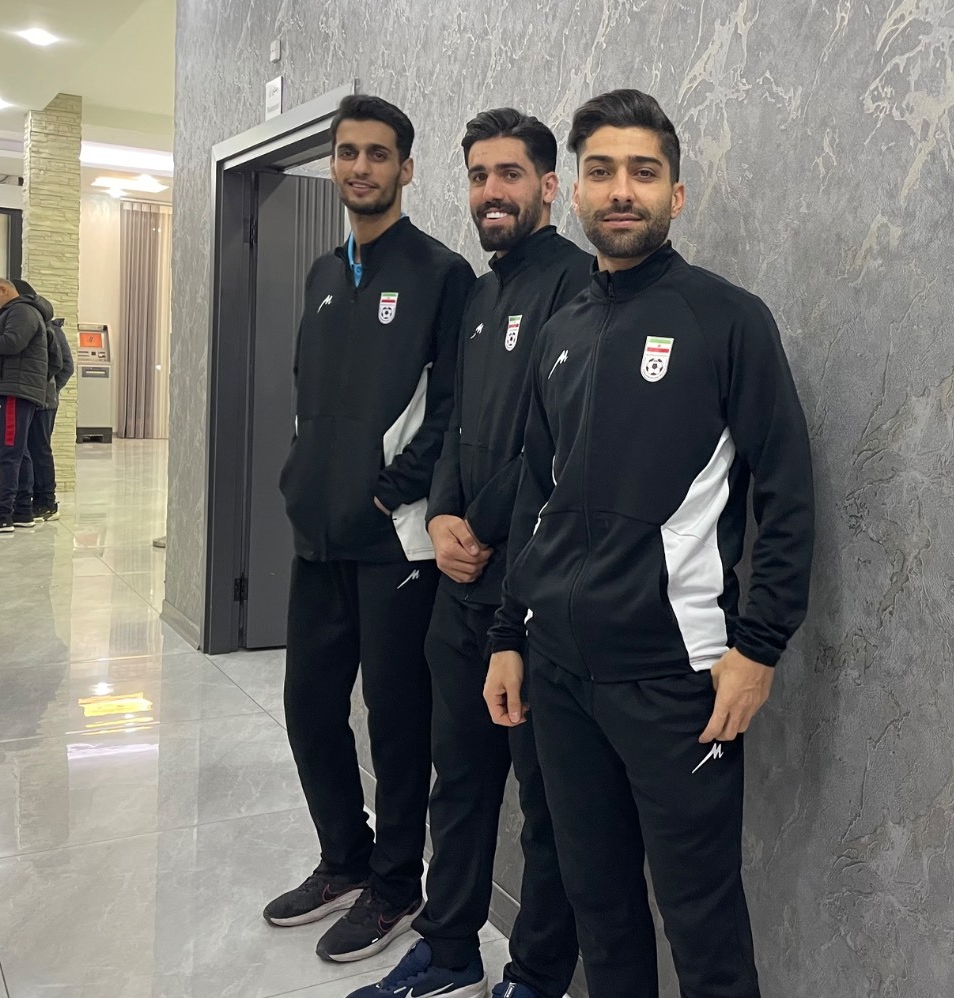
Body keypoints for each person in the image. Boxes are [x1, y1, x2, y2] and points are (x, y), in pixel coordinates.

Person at [484, 89, 815, 998]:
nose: (621, 190)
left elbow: (787, 493)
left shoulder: (727, 320)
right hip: (559, 674)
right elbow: (537, 498)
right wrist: (509, 633)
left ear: (677, 193)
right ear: (575, 191)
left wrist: (759, 647)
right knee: (600, 909)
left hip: (676, 683)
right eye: (601, 171)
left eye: (643, 171)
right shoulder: (562, 330)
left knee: (703, 923)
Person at [348, 108, 589, 998]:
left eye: (510, 174)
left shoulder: (578, 287)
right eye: (479, 175)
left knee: (547, 808)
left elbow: (555, 444)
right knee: (459, 780)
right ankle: (449, 946)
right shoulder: (483, 297)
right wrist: (444, 513)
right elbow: (453, 423)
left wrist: (480, 529)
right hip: (460, 592)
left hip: (531, 595)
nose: (491, 191)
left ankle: (536, 976)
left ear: (548, 187)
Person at [262, 94, 475, 966]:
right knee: (309, 708)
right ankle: (344, 861)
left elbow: (454, 405)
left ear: (406, 168)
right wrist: (302, 481)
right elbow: (309, 397)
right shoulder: (322, 275)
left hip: (396, 544)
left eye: (377, 154)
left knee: (396, 723)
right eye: (348, 152)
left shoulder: (442, 273)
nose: (360, 167)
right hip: (318, 540)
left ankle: (395, 884)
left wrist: (390, 493)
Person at [0, 279, 51, 534]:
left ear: (3, 290)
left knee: (7, 453)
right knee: (18, 452)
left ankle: (3, 515)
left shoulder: (22, 310)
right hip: (11, 389)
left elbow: (12, 342)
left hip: (13, 390)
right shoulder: (11, 313)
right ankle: (22, 511)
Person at [14, 280, 70, 521]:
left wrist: (49, 389)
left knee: (39, 450)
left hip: (44, 401)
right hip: (27, 397)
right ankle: (23, 500)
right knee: (23, 450)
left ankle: (46, 502)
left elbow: (65, 366)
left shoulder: (50, 326)